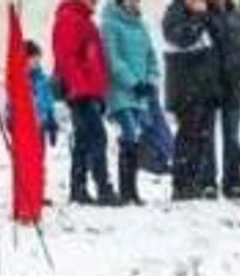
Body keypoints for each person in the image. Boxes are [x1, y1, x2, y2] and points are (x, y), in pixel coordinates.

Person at [53, 0, 115, 204]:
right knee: (97, 137)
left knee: (84, 140)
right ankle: (103, 187)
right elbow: (67, 58)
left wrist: (100, 92)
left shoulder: (84, 20)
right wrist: (80, 88)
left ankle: (78, 188)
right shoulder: (70, 19)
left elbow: (95, 60)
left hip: (89, 90)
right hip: (81, 91)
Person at [161, 0, 219, 201]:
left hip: (203, 88)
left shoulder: (206, 13)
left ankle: (193, 182)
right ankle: (181, 184)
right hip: (185, 88)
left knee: (201, 138)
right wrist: (199, 16)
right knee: (187, 136)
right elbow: (182, 38)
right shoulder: (174, 13)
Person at [100, 0, 155, 205]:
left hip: (139, 94)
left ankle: (132, 190)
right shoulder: (109, 24)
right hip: (120, 92)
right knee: (130, 134)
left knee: (134, 138)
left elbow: (151, 58)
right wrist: (133, 82)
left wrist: (149, 80)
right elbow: (113, 60)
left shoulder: (141, 25)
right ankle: (126, 189)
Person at [210, 0, 240, 197]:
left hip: (233, 83)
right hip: (210, 82)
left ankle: (232, 182)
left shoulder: (238, 15)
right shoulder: (205, 13)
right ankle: (207, 181)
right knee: (208, 135)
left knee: (232, 135)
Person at [25, 40, 59, 146]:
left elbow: (49, 102)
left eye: (38, 59)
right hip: (23, 127)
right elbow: (11, 103)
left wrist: (51, 120)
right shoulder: (19, 81)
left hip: (40, 126)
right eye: (34, 59)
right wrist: (10, 120)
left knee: (40, 154)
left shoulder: (43, 79)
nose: (37, 61)